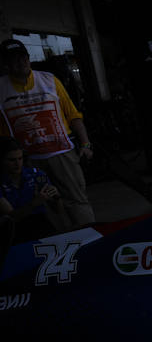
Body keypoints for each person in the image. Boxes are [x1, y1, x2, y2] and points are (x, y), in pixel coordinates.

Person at [0, 38, 95, 226]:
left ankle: (90, 237)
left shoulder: (49, 80)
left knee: (76, 199)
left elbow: (73, 115)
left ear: (28, 58)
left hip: (61, 153)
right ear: (6, 64)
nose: (20, 62)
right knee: (41, 205)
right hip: (27, 160)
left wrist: (85, 144)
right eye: (14, 59)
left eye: (23, 57)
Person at [0, 136, 69, 240]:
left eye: (20, 158)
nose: (17, 164)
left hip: (40, 224)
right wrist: (35, 202)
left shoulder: (36, 175)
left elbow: (58, 210)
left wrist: (56, 197)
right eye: (12, 160)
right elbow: (12, 217)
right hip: (12, 231)